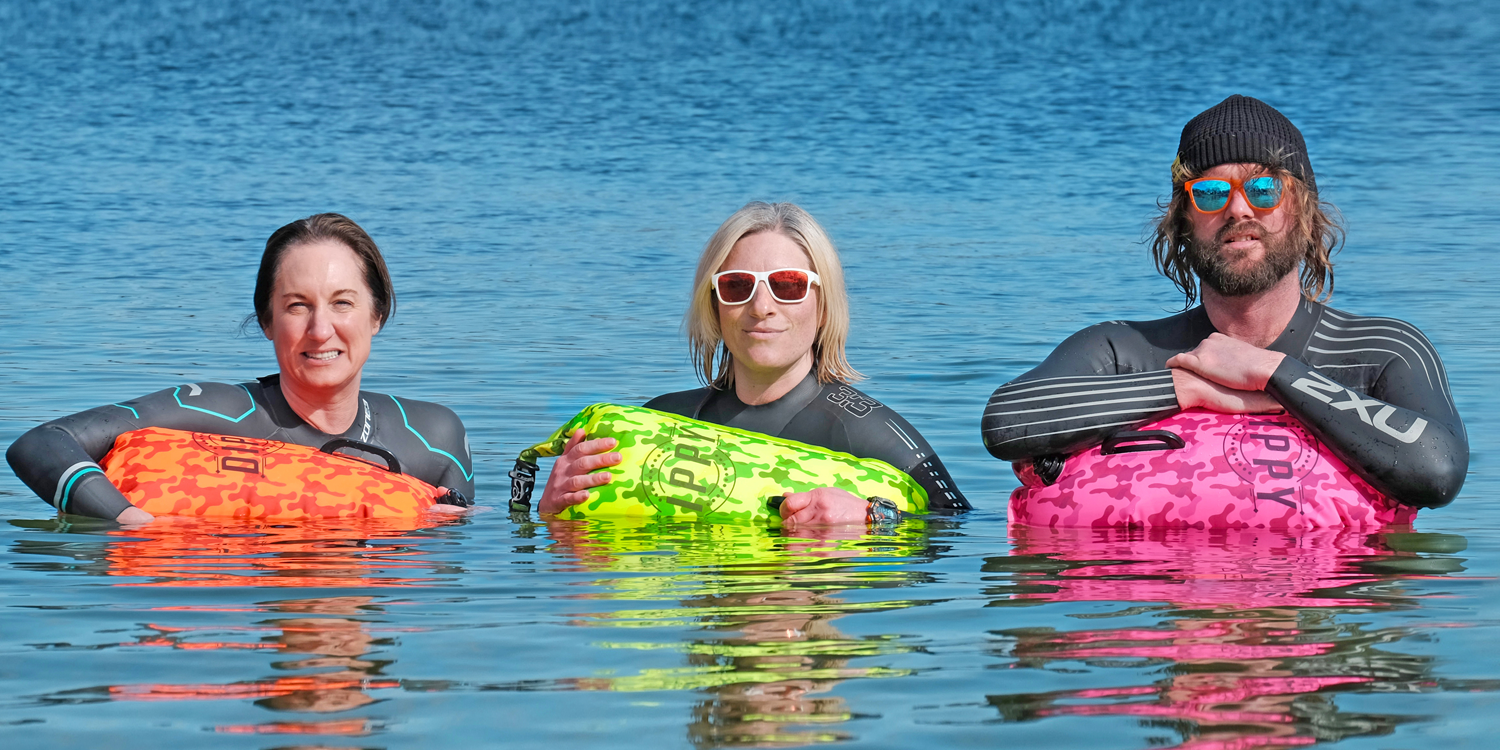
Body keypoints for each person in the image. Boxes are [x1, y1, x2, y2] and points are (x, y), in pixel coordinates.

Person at [980, 95, 1467, 509]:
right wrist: (1191, 390)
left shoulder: (1381, 351)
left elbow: (1438, 469)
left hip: (1327, 612)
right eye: (1210, 193)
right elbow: (1006, 422)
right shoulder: (1123, 350)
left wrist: (1270, 373)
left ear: (1302, 210)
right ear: (1183, 222)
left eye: (1263, 188)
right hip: (1159, 607)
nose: (1237, 208)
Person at [7, 213, 475, 523]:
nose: (320, 329)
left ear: (377, 315)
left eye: (342, 303)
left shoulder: (434, 438)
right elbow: (42, 443)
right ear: (267, 322)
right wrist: (131, 524)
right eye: (297, 306)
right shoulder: (221, 412)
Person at [538, 201, 969, 526]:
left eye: (788, 285)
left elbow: (960, 532)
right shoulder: (662, 421)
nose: (761, 306)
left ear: (823, 304)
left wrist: (874, 519)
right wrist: (550, 512)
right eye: (738, 285)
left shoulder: (869, 432)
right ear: (714, 303)